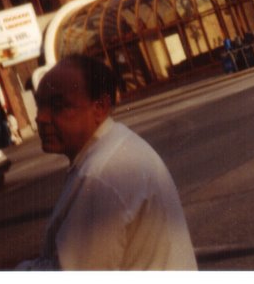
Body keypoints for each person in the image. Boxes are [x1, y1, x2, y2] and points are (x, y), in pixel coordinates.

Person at [18, 55, 197, 270]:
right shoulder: (114, 146)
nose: (41, 118)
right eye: (40, 106)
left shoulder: (101, 176)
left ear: (100, 107)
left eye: (59, 106)